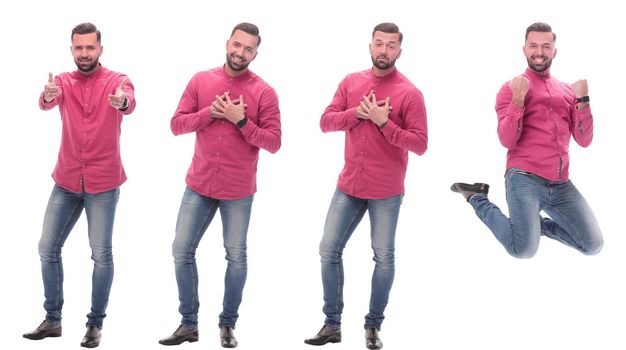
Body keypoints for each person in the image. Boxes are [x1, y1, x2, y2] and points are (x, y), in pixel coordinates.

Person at [304, 23, 428, 350]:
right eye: (379, 43)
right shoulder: (351, 82)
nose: (383, 50)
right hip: (349, 185)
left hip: (386, 190)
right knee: (328, 249)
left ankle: (373, 326)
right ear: (370, 46)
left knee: (384, 257)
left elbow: (420, 144)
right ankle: (332, 324)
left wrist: (385, 123)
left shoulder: (410, 93)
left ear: (399, 51)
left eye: (390, 45)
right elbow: (325, 121)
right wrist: (357, 113)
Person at [158, 22, 281, 348]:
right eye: (237, 45)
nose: (240, 53)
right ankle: (189, 324)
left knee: (236, 256)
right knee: (181, 250)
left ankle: (227, 325)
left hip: (238, 190)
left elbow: (273, 142)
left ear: (256, 52)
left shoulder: (264, 92)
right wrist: (210, 113)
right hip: (198, 184)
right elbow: (175, 124)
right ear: (228, 43)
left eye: (248, 48)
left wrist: (241, 120)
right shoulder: (202, 80)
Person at [23, 22, 136, 348]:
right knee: (47, 247)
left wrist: (123, 103)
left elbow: (129, 100)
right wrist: (46, 97)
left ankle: (94, 325)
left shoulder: (117, 81)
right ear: (71, 49)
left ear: (100, 49)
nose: (84, 53)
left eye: (90, 47)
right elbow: (45, 101)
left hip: (103, 183)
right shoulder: (62, 82)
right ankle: (53, 319)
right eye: (78, 48)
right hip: (67, 179)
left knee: (101, 254)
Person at [451, 22, 603, 259]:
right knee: (523, 249)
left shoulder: (567, 91)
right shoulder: (511, 88)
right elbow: (507, 140)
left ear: (554, 51)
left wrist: (583, 100)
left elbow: (584, 141)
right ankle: (477, 197)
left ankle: (532, 224)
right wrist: (518, 100)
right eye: (533, 46)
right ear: (524, 49)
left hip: (561, 184)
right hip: (524, 179)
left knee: (592, 244)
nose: (539, 52)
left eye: (546, 46)